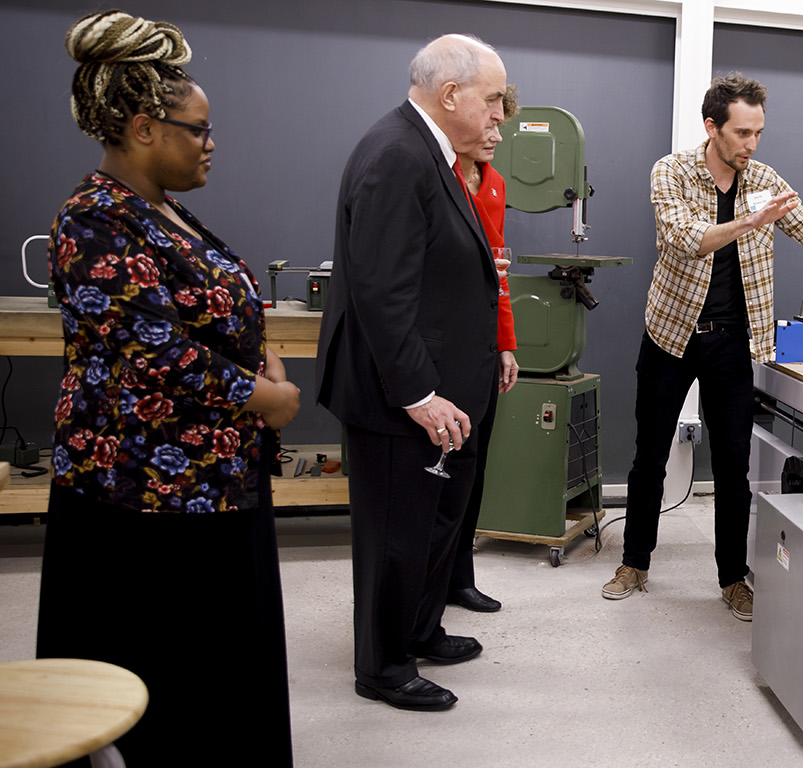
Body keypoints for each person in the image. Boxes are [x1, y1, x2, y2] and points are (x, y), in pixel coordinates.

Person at [37, 10, 301, 765]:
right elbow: (156, 352)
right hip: (142, 496)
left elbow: (204, 319)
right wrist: (264, 398)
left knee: (218, 677)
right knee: (162, 680)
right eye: (197, 129)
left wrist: (259, 368)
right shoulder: (93, 218)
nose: (210, 143)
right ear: (145, 129)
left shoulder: (167, 212)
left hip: (211, 481)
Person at [602, 72, 803, 619]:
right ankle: (634, 562)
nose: (751, 144)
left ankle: (731, 578)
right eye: (742, 133)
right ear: (712, 127)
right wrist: (751, 221)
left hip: (732, 341)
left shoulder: (765, 180)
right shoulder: (672, 173)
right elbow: (685, 240)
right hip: (671, 333)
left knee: (731, 463)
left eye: (758, 133)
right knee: (649, 456)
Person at [316, 33, 506, 712]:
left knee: (433, 527)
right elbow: (381, 292)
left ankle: (421, 628)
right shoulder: (398, 154)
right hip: (400, 399)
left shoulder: (431, 152)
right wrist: (420, 395)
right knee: (397, 535)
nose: (500, 115)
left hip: (444, 393)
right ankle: (385, 665)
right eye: (492, 100)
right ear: (450, 93)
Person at [448, 87, 521, 614]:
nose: (496, 136)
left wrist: (506, 344)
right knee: (444, 473)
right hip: (443, 346)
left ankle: (459, 578)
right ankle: (433, 583)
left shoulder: (492, 184)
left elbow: (498, 272)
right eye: (490, 125)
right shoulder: (439, 177)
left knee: (473, 469)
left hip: (481, 344)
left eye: (502, 128)